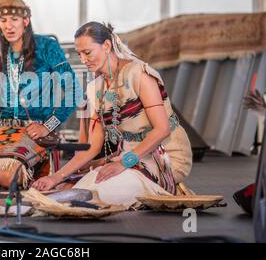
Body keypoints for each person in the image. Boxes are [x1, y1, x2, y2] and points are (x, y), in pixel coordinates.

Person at [32, 22, 193, 207]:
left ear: (107, 46)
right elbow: (92, 147)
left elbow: (163, 129)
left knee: (98, 193)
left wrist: (124, 163)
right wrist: (55, 177)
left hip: (165, 157)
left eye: (87, 52)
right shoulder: (95, 88)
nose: (83, 60)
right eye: (79, 54)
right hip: (128, 156)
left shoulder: (139, 73)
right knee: (79, 187)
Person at [0, 0, 80, 189]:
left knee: (5, 177)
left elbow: (74, 91)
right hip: (7, 132)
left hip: (36, 132)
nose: (9, 26)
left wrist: (48, 126)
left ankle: (37, 167)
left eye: (14, 19)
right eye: (3, 20)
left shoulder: (47, 46)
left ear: (26, 21)